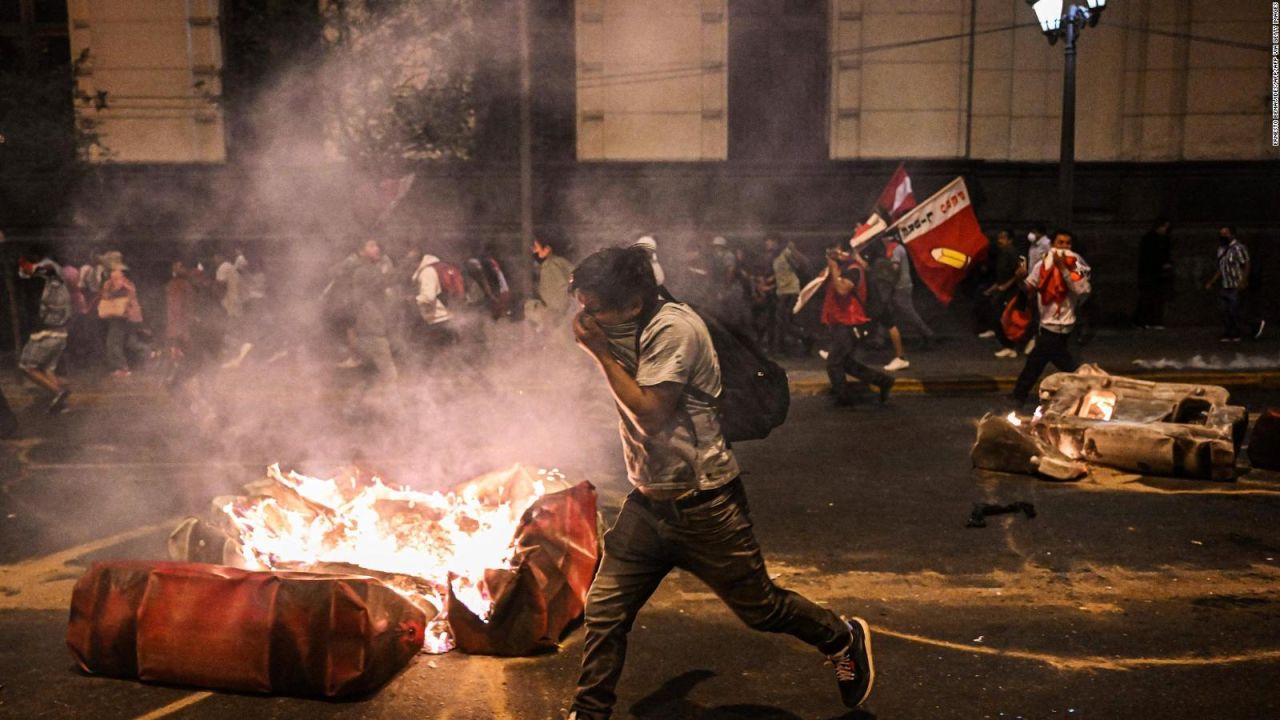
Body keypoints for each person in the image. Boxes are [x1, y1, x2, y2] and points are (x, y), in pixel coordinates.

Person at [564, 246, 874, 720]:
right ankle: (588, 713)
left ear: (630, 303)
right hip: (648, 504)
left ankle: (841, 637)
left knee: (761, 609)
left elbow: (649, 416)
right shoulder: (626, 324)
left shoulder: (674, 329)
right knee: (604, 609)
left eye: (594, 308)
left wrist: (600, 354)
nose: (585, 318)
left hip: (704, 503)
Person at [1010, 230, 1091, 405]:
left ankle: (1019, 394)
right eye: (1060, 243)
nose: (1064, 247)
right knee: (1039, 361)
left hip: (1068, 325)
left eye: (1067, 243)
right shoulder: (1042, 265)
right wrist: (1019, 279)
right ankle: (1019, 395)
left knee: (1044, 361)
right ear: (1053, 245)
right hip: (1048, 325)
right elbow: (1029, 287)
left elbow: (1081, 289)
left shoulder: (1077, 266)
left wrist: (1063, 269)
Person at [822, 241, 895, 406]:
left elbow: (842, 290)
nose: (834, 255)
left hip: (850, 322)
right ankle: (883, 381)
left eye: (837, 252)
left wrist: (833, 267)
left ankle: (843, 398)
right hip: (841, 321)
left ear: (847, 253)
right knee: (846, 363)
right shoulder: (844, 268)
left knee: (834, 362)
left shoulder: (853, 270)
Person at [17, 257, 73, 413]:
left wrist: (20, 261)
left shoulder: (50, 273)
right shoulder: (60, 285)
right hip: (61, 334)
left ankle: (58, 392)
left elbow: (31, 270)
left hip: (46, 333)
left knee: (27, 367)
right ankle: (61, 404)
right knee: (48, 369)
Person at [1204, 226, 1264, 342]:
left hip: (1235, 284)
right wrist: (1212, 281)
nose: (1223, 236)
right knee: (1224, 310)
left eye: (1225, 233)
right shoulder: (1221, 249)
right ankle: (1230, 332)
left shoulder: (1239, 248)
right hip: (1225, 284)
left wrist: (1243, 280)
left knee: (1235, 310)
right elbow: (1221, 268)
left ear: (1232, 234)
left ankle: (1253, 325)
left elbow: (1246, 264)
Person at [98, 253, 147, 378]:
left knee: (113, 342)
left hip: (119, 316)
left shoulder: (115, 276)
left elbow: (111, 294)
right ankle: (150, 353)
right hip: (129, 316)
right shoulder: (126, 278)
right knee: (130, 341)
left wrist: (109, 289)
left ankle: (121, 368)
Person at [764, 235, 813, 356]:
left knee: (783, 320)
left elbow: (804, 263)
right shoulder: (775, 257)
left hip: (790, 290)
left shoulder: (786, 252)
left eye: (768, 241)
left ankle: (807, 338)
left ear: (775, 241)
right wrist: (770, 282)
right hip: (782, 291)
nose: (766, 244)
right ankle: (802, 340)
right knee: (784, 321)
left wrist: (794, 250)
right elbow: (782, 274)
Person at [982, 230, 1024, 358]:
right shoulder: (1003, 253)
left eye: (1003, 238)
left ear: (1010, 240)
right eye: (999, 238)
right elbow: (1002, 276)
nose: (1000, 241)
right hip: (1003, 290)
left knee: (1004, 319)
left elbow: (1018, 273)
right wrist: (994, 288)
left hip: (1011, 291)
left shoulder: (1012, 253)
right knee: (998, 317)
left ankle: (1010, 347)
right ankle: (1007, 345)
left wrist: (1006, 285)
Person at [526, 234, 575, 332]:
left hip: (560, 321)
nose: (534, 251)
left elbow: (558, 298)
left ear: (547, 249)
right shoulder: (560, 262)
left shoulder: (549, 266)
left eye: (536, 247)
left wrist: (552, 319)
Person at [1135, 219, 1173, 329]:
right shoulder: (1149, 239)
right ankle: (1143, 321)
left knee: (1156, 298)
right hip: (1149, 273)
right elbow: (1148, 258)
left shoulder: (1164, 239)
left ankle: (1153, 321)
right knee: (1147, 298)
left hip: (1157, 274)